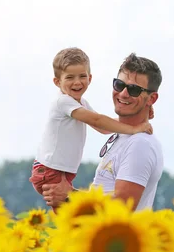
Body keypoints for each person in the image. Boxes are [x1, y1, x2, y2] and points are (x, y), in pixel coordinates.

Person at [30, 47, 153, 210]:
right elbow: (98, 120)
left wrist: (135, 121)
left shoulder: (81, 103)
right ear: (57, 82)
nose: (77, 82)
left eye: (82, 76)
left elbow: (102, 126)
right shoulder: (63, 102)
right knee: (73, 219)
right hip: (49, 171)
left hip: (60, 171)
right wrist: (134, 129)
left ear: (90, 78)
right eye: (70, 77)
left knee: (72, 217)